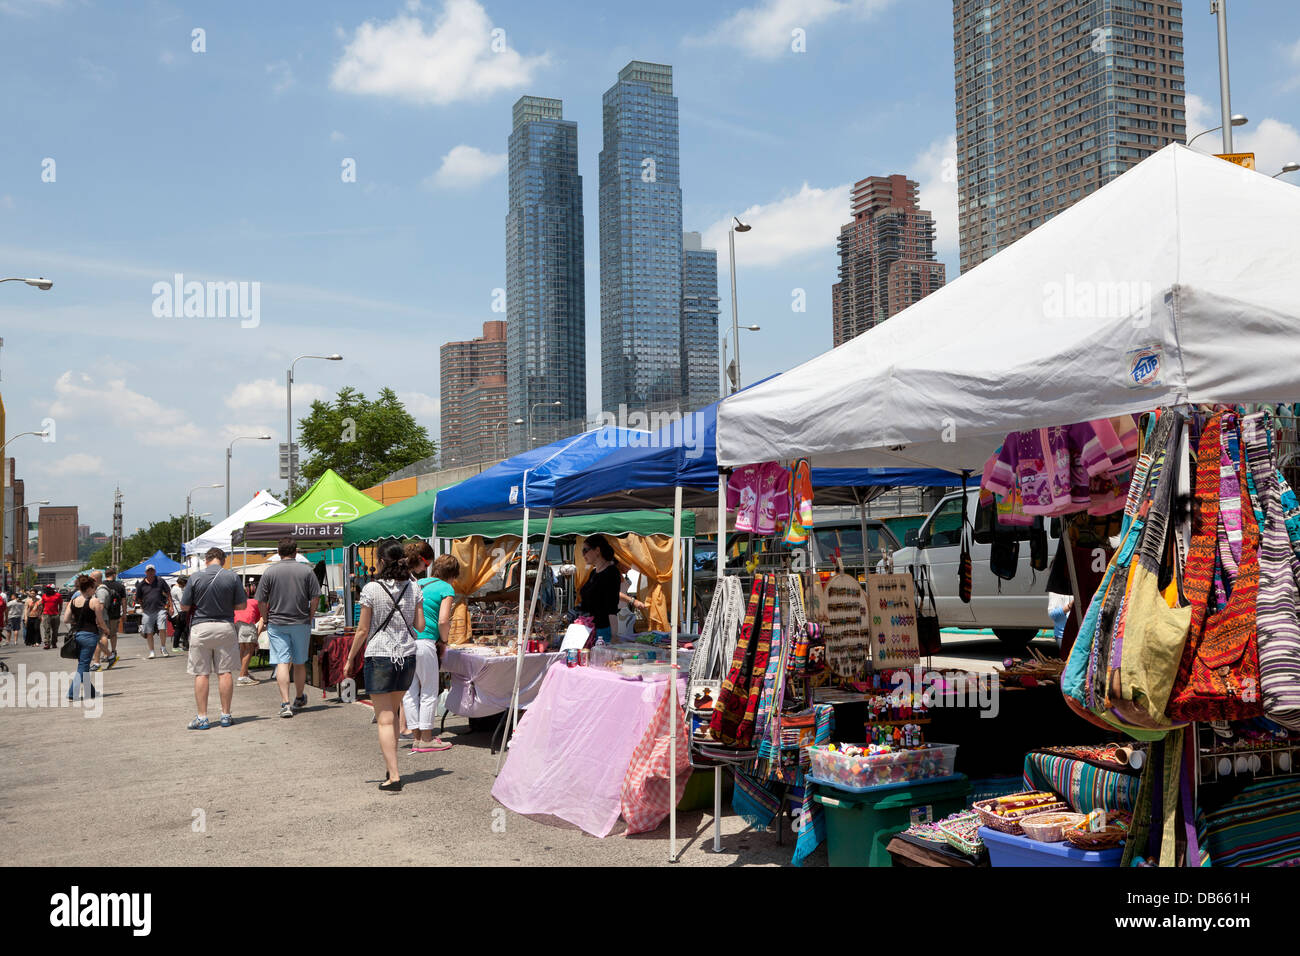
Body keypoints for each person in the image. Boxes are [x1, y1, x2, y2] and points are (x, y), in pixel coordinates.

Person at [345, 543, 424, 791]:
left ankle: (394, 775)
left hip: (379, 655)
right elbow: (420, 625)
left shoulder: (371, 588)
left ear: (380, 561)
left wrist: (349, 659)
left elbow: (363, 630)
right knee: (393, 713)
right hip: (408, 655)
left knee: (385, 719)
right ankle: (391, 769)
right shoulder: (414, 586)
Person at [180, 547, 246, 730]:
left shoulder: (195, 577)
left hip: (201, 627)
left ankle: (202, 717)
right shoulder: (232, 577)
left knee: (202, 673)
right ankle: (225, 715)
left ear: (207, 560)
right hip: (225, 626)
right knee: (224, 672)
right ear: (223, 560)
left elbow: (184, 607)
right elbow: (241, 605)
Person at [256, 538, 321, 718]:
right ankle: (299, 697)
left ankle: (285, 703)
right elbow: (315, 597)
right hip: (300, 621)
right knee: (299, 662)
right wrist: (310, 614)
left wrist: (265, 618)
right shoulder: (307, 571)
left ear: (278, 552)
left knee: (282, 662)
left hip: (277, 622)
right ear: (296, 551)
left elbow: (261, 600)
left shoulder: (269, 572)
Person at [406, 552, 458, 754]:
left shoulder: (418, 583)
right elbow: (443, 620)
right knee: (428, 690)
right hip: (426, 641)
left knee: (410, 692)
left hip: (407, 641)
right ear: (452, 574)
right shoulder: (446, 588)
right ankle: (427, 738)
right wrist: (444, 641)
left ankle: (417, 737)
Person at [60, 575, 107, 701]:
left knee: (83, 665)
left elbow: (66, 619)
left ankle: (90, 692)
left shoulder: (73, 601)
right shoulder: (94, 601)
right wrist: (106, 629)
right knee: (83, 666)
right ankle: (72, 693)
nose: (95, 590)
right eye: (94, 588)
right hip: (90, 636)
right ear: (89, 588)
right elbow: (100, 621)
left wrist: (76, 621)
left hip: (78, 635)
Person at [578, 535, 621, 642]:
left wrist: (614, 636)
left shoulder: (611, 572)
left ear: (597, 550)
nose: (583, 555)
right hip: (588, 628)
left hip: (602, 630)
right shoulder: (593, 572)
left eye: (585, 550)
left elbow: (612, 607)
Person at [134, 565, 173, 658]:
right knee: (149, 631)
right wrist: (143, 607)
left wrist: (171, 606)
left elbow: (168, 592)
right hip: (147, 610)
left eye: (152, 571)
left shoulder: (160, 581)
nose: (150, 573)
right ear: (145, 572)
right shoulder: (141, 584)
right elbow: (138, 598)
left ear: (155, 572)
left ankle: (163, 647)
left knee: (162, 628)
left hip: (160, 608)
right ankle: (151, 651)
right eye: (148, 571)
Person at [87, 571, 120, 671]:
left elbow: (100, 606)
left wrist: (98, 619)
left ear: (95, 579)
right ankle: (109, 657)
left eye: (91, 578)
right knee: (98, 640)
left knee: (99, 640)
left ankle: (98, 662)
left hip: (101, 618)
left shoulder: (101, 591)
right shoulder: (101, 589)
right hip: (102, 618)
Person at [171, 574, 190, 652]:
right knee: (183, 629)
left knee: (179, 629)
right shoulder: (178, 589)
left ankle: (176, 645)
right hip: (181, 612)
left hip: (177, 612)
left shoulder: (173, 588)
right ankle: (183, 645)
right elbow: (183, 601)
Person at [39, 585, 62, 649]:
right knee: (47, 629)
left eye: (48, 589)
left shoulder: (58, 595)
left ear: (52, 589)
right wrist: (41, 614)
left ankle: (54, 643)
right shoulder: (44, 596)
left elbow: (60, 605)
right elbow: (42, 606)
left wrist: (59, 614)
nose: (47, 590)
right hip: (46, 615)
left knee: (55, 630)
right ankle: (47, 643)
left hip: (55, 615)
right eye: (46, 589)